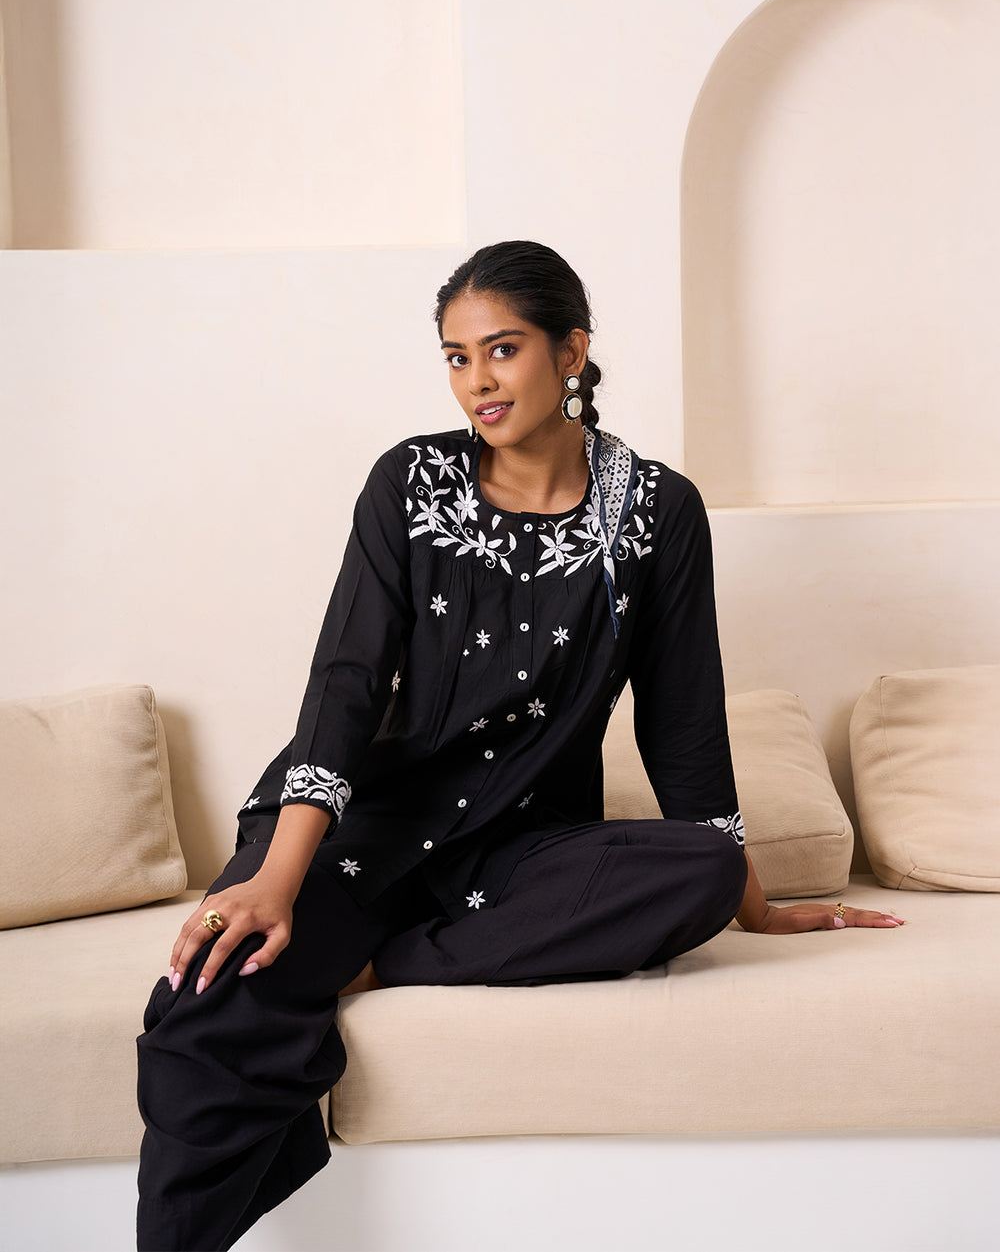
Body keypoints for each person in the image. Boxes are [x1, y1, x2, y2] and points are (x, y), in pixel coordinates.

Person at [136, 241, 903, 1251]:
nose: (477, 381)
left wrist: (748, 900)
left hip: (521, 849)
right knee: (208, 992)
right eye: (456, 357)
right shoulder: (408, 482)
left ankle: (373, 965)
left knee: (701, 869)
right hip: (363, 827)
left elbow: (681, 720)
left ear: (571, 351)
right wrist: (276, 877)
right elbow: (346, 683)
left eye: (502, 349)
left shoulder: (659, 511)